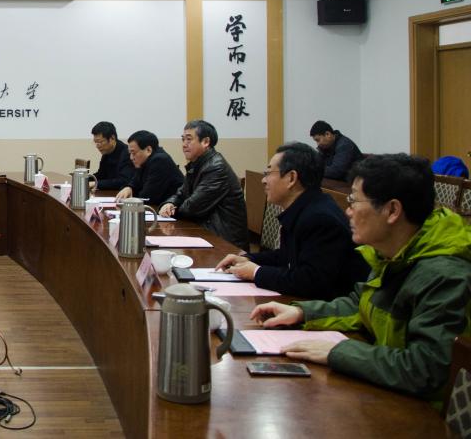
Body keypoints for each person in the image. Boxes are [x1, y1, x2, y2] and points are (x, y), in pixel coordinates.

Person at [251, 154, 471, 403]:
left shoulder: (443, 275)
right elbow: (360, 304)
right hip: (389, 393)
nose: (347, 211)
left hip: (424, 412)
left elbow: (425, 369)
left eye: (354, 201)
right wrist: (303, 313)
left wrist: (338, 351)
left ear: (392, 210)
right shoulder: (393, 251)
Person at [214, 142, 368, 299]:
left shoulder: (320, 218)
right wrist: (248, 258)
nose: (263, 180)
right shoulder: (306, 207)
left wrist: (256, 272)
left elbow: (311, 281)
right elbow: (286, 256)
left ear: (291, 178)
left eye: (268, 173)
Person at [159, 120, 248, 249]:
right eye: (183, 139)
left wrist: (173, 210)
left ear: (205, 142)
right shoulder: (197, 164)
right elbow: (181, 193)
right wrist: (169, 204)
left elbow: (192, 208)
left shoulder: (216, 167)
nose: (184, 144)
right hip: (205, 232)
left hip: (225, 242)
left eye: (189, 139)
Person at [115, 130, 184, 205]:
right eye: (130, 153)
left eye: (133, 153)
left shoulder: (160, 161)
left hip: (174, 208)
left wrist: (131, 195)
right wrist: (129, 187)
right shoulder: (144, 161)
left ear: (148, 150)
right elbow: (135, 182)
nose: (131, 158)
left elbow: (147, 198)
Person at [90, 121, 134, 190]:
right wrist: (84, 180)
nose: (97, 146)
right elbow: (101, 175)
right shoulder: (107, 152)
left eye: (100, 142)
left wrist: (95, 183)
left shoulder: (127, 153)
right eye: (96, 142)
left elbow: (123, 181)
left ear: (112, 138)